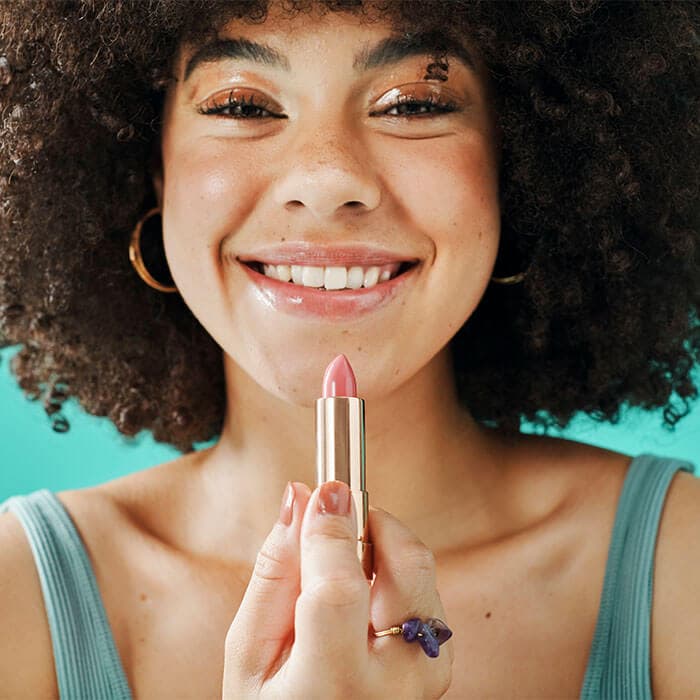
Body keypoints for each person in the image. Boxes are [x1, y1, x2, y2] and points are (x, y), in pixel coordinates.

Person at [1, 0, 699, 697]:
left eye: (414, 105)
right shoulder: (20, 592)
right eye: (242, 105)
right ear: (151, 170)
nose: (325, 179)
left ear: (512, 170)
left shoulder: (678, 561)